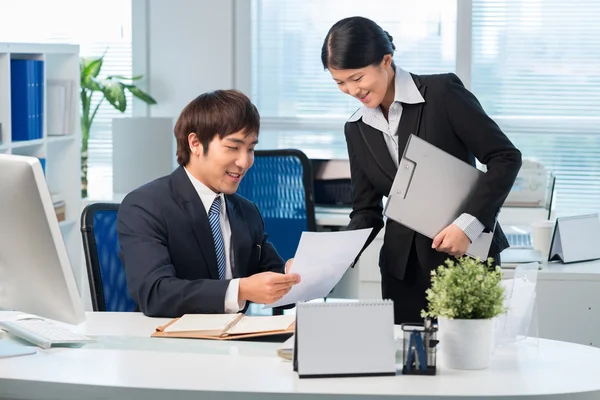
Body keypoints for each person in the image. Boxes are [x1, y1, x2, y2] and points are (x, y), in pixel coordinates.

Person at [321, 16, 522, 324]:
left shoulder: (442, 94)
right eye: (340, 83)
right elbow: (366, 212)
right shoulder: (357, 129)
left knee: (468, 364)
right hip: (402, 273)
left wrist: (467, 226)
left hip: (463, 262)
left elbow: (505, 157)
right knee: (409, 365)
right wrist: (332, 260)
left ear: (386, 61)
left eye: (357, 78)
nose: (351, 90)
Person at [117, 89, 301, 318]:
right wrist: (241, 289)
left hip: (235, 343)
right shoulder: (145, 206)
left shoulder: (246, 211)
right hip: (171, 342)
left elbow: (270, 276)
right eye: (233, 147)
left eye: (251, 149)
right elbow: (156, 294)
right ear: (194, 143)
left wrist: (290, 275)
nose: (244, 161)